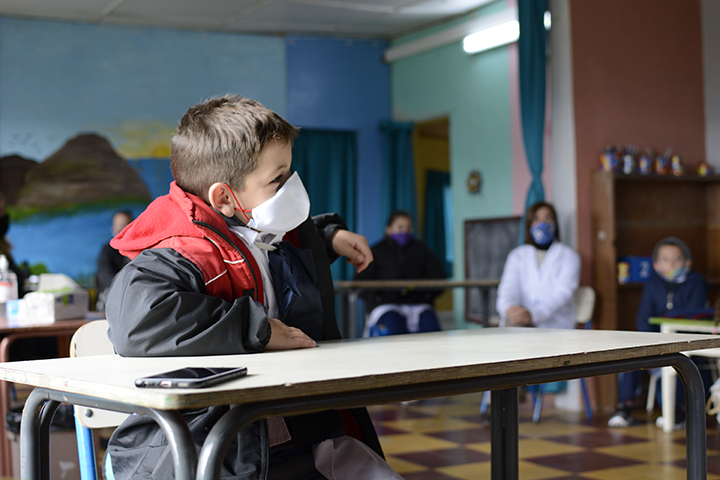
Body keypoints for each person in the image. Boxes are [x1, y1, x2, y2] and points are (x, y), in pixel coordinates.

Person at [104, 94, 402, 480]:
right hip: (213, 448)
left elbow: (282, 241)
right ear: (224, 198)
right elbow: (137, 320)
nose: (290, 189)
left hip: (295, 436)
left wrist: (330, 237)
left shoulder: (259, 225)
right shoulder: (183, 249)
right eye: (276, 180)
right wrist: (257, 329)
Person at [608, 237, 709, 429]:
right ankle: (624, 406)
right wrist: (652, 345)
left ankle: (680, 412)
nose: (670, 264)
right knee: (631, 355)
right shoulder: (653, 284)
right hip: (656, 342)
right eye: (665, 259)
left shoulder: (696, 283)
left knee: (682, 361)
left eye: (676, 259)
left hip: (685, 342)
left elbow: (692, 315)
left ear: (687, 262)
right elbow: (643, 317)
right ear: (655, 265)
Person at [353, 210, 446, 336]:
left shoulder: (422, 250)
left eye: (409, 228)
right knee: (393, 329)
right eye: (400, 227)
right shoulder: (376, 251)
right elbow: (359, 281)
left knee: (432, 330)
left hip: (418, 304)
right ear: (389, 230)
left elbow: (439, 276)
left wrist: (426, 295)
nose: (405, 231)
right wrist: (377, 297)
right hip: (386, 305)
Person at [495, 201, 581, 329]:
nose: (542, 223)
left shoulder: (569, 256)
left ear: (555, 224)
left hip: (555, 324)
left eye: (548, 218)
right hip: (520, 323)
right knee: (513, 326)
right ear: (529, 225)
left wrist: (534, 314)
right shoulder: (517, 256)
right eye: (536, 219)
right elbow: (508, 288)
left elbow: (562, 293)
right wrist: (510, 309)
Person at [95, 210, 133, 311]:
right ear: (113, 229)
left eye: (127, 225)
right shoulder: (108, 250)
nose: (123, 230)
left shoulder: (140, 250)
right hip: (111, 299)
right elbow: (104, 273)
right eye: (120, 226)